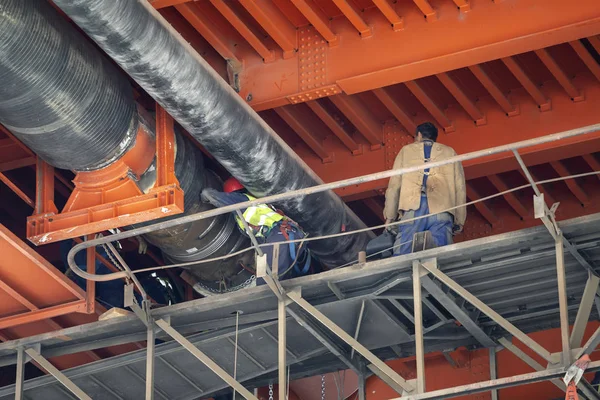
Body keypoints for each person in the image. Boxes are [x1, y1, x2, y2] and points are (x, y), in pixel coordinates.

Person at [201, 177, 312, 282]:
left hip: (278, 236)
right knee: (272, 279)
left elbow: (214, 196)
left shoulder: (241, 199)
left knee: (266, 284)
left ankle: (268, 300)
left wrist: (205, 196)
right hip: (286, 235)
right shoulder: (255, 204)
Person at [383, 122, 466, 255]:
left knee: (403, 254)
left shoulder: (406, 151)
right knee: (442, 255)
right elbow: (460, 188)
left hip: (413, 208)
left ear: (419, 135)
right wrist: (459, 220)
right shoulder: (450, 152)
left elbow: (394, 186)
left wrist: (390, 217)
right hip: (441, 208)